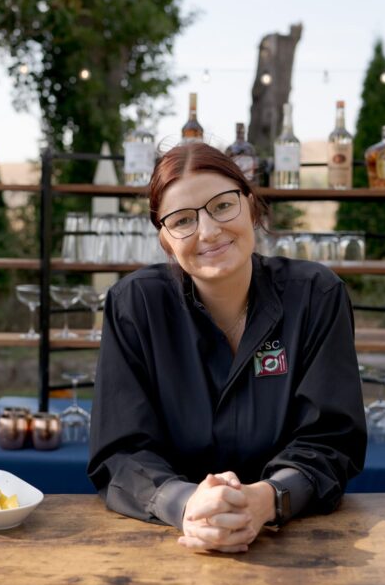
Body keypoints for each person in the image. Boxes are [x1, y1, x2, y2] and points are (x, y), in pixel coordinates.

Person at [88, 141, 366, 553]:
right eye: (183, 220)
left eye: (222, 206)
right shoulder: (134, 305)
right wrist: (188, 505)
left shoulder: (316, 295)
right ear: (166, 240)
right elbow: (121, 451)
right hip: (167, 544)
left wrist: (267, 499)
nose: (208, 231)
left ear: (251, 206)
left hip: (296, 544)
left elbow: (330, 440)